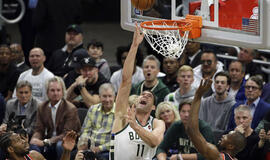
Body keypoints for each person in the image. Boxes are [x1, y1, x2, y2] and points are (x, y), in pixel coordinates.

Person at [110, 25, 165, 160]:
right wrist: (134, 46)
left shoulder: (157, 123)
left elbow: (154, 142)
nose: (145, 95)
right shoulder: (123, 114)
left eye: (149, 96)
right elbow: (126, 81)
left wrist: (135, 126)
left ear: (153, 107)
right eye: (142, 94)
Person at [186, 79, 247, 160]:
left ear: (230, 146)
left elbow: (191, 130)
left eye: (227, 136)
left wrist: (198, 95)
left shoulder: (217, 156)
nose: (223, 135)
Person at [30, 76, 81, 160]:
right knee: (33, 145)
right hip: (48, 140)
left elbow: (67, 134)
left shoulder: (70, 108)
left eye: (58, 90)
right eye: (52, 90)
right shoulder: (42, 107)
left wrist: (47, 142)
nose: (55, 93)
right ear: (47, 92)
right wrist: (35, 138)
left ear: (63, 92)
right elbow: (39, 129)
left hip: (66, 141)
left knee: (59, 145)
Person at [79, 83, 115, 159]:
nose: (107, 100)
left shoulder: (119, 113)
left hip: (107, 150)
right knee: (74, 155)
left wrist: (100, 148)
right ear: (99, 97)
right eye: (104, 96)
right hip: (90, 147)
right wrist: (84, 142)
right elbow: (85, 130)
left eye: (110, 96)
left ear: (114, 97)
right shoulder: (93, 109)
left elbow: (118, 140)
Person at [199, 72, 235, 142]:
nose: (219, 85)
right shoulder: (204, 102)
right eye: (217, 82)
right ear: (214, 85)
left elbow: (227, 131)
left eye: (222, 83)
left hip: (221, 142)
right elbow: (200, 124)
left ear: (227, 86)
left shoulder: (232, 105)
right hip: (203, 141)